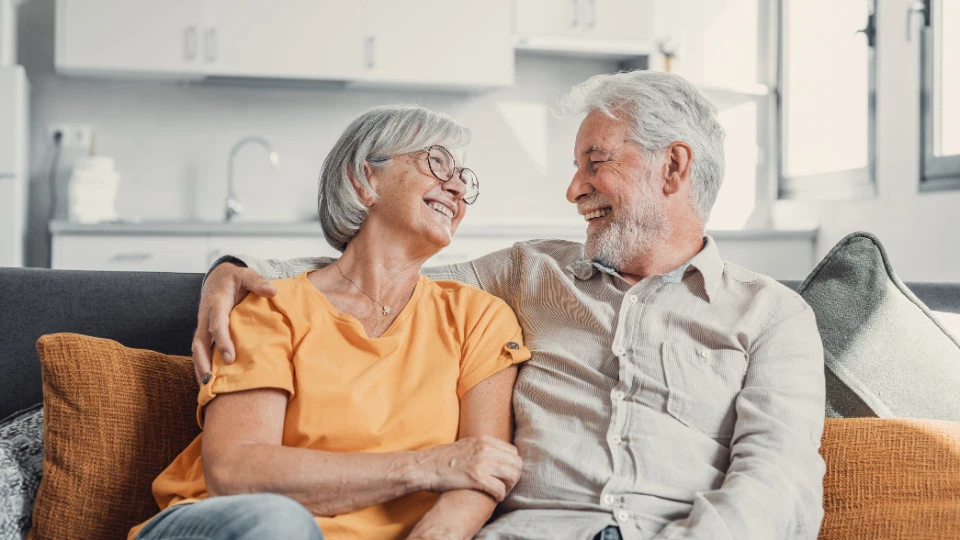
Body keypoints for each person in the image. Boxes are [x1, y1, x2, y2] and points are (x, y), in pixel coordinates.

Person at [195, 71, 826, 540]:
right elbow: (380, 269)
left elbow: (778, 478)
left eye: (595, 163)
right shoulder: (528, 273)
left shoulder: (771, 316)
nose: (574, 188)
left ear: (673, 167)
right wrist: (235, 269)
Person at [130, 105, 532, 540]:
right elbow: (236, 471)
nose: (455, 187)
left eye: (464, 178)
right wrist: (428, 466)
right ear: (364, 180)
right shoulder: (273, 308)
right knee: (280, 525)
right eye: (437, 162)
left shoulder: (479, 318)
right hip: (230, 524)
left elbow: (483, 472)